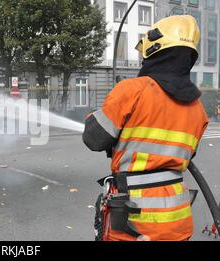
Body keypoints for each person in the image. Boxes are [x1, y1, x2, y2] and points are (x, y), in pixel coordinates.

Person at [83, 16, 208, 241]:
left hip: (133, 223)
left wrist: (94, 119)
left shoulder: (132, 90)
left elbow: (94, 139)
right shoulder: (198, 109)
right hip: (178, 221)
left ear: (155, 49)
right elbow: (180, 155)